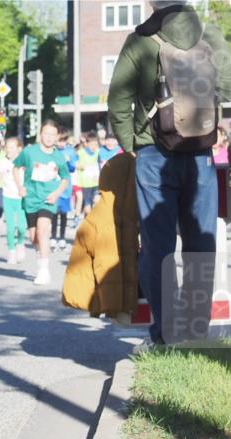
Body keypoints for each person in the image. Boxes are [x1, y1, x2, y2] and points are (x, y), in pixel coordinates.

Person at [108, 0, 231, 348]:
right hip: (200, 153)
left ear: (151, 2)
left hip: (153, 153)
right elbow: (229, 84)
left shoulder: (141, 39)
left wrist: (130, 143)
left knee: (158, 246)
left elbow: (118, 99)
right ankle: (195, 332)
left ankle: (166, 333)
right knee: (201, 243)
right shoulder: (208, 33)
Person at [14, 120, 70, 285]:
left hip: (48, 199)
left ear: (57, 137)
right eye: (46, 134)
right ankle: (41, 259)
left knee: (43, 230)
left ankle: (44, 270)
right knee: (33, 237)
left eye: (52, 135)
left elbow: (66, 177)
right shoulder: (29, 152)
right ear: (40, 134)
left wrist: (57, 193)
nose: (49, 137)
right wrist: (20, 187)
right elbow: (16, 168)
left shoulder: (59, 156)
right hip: (31, 198)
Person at [0, 136, 27, 265]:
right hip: (8, 197)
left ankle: (20, 244)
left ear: (19, 148)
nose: (8, 150)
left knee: (21, 227)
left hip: (21, 198)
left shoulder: (24, 161)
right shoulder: (3, 162)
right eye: (7, 147)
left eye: (11, 147)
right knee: (10, 227)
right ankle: (11, 251)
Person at [76, 131, 102, 219]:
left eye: (96, 144)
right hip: (85, 184)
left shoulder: (98, 152)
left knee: (96, 202)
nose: (94, 147)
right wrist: (79, 166)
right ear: (87, 143)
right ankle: (87, 221)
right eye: (92, 144)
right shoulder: (80, 153)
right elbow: (74, 164)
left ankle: (92, 221)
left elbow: (100, 165)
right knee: (87, 208)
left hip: (96, 183)